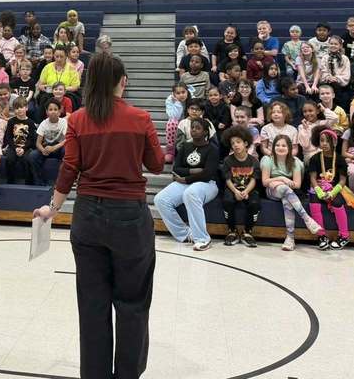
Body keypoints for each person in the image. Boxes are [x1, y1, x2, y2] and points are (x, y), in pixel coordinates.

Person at [33, 52, 163, 379]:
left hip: (88, 215)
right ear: (122, 81)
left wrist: (54, 206)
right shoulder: (140, 118)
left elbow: (70, 167)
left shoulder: (77, 119)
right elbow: (157, 164)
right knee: (132, 304)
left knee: (92, 306)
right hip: (130, 218)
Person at [154, 118, 219, 251]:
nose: (193, 130)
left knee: (191, 193)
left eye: (197, 128)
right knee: (160, 199)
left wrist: (187, 179)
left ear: (205, 132)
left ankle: (202, 239)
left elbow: (207, 173)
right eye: (192, 127)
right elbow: (176, 168)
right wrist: (193, 171)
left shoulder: (212, 149)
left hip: (207, 184)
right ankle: (185, 234)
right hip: (185, 181)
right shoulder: (185, 146)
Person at [261, 134, 322, 251]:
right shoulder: (268, 160)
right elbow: (265, 182)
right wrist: (282, 179)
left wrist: (280, 182)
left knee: (287, 200)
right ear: (273, 147)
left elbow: (297, 184)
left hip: (287, 193)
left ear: (289, 148)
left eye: (284, 145)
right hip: (271, 191)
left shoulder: (295, 162)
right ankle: (307, 219)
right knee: (283, 188)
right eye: (277, 145)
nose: (280, 147)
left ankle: (290, 238)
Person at [306, 127, 350, 250]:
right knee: (314, 202)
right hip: (318, 187)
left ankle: (344, 235)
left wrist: (333, 192)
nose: (324, 144)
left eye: (328, 141)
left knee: (337, 202)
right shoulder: (315, 158)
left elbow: (342, 180)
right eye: (322, 141)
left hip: (336, 188)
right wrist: (319, 191)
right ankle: (321, 235)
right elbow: (313, 178)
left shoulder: (340, 159)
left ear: (334, 143)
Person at [220, 125, 261, 247]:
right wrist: (236, 192)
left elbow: (254, 180)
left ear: (246, 143)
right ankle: (232, 231)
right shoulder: (228, 160)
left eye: (238, 142)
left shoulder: (254, 161)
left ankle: (247, 232)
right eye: (233, 143)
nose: (235, 145)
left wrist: (246, 191)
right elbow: (227, 180)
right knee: (227, 201)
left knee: (255, 203)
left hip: (249, 189)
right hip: (232, 188)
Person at [29, 99, 67, 186]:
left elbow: (67, 139)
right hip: (46, 148)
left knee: (66, 151)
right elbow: (38, 143)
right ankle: (40, 183)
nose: (53, 112)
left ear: (59, 111)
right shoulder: (43, 123)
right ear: (46, 112)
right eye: (50, 109)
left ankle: (62, 181)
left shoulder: (63, 122)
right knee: (33, 156)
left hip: (59, 147)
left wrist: (54, 147)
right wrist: (43, 150)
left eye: (55, 109)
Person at [2, 98, 36, 184]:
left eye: (21, 107)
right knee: (9, 159)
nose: (19, 110)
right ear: (14, 110)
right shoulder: (11, 121)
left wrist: (24, 148)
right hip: (13, 146)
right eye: (16, 108)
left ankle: (29, 182)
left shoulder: (31, 122)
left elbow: (32, 139)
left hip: (26, 147)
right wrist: (15, 148)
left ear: (26, 108)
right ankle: (10, 181)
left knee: (27, 159)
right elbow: (8, 137)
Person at [164, 82, 189, 163]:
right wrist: (178, 103)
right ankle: (170, 151)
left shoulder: (191, 98)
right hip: (177, 123)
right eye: (178, 93)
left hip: (188, 121)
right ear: (173, 94)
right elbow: (174, 116)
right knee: (171, 123)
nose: (181, 95)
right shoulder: (170, 100)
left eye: (183, 92)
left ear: (187, 92)